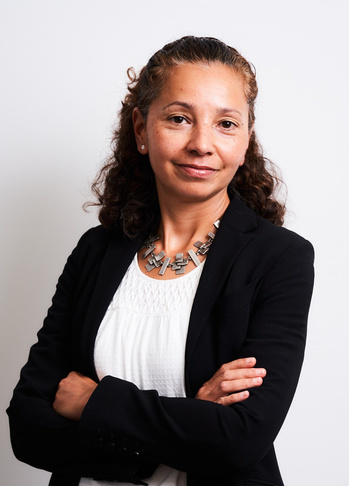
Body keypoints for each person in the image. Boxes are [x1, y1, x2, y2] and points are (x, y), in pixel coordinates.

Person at [7, 36, 314, 486]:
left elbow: (240, 439)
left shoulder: (280, 259)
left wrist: (95, 403)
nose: (201, 144)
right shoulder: (95, 252)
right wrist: (187, 422)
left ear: (247, 138)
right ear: (140, 129)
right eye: (178, 118)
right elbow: (28, 426)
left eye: (226, 123)